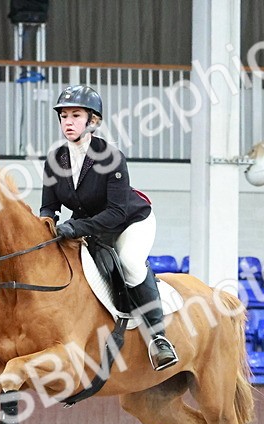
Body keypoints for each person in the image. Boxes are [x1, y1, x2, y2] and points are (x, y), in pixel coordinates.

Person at [39, 84, 178, 371]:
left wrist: (75, 228)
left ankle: (158, 338)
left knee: (130, 262)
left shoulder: (110, 157)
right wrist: (47, 224)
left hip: (130, 221)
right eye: (63, 116)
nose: (68, 122)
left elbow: (116, 212)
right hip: (89, 228)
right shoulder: (55, 161)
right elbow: (49, 206)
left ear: (93, 121)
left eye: (76, 115)